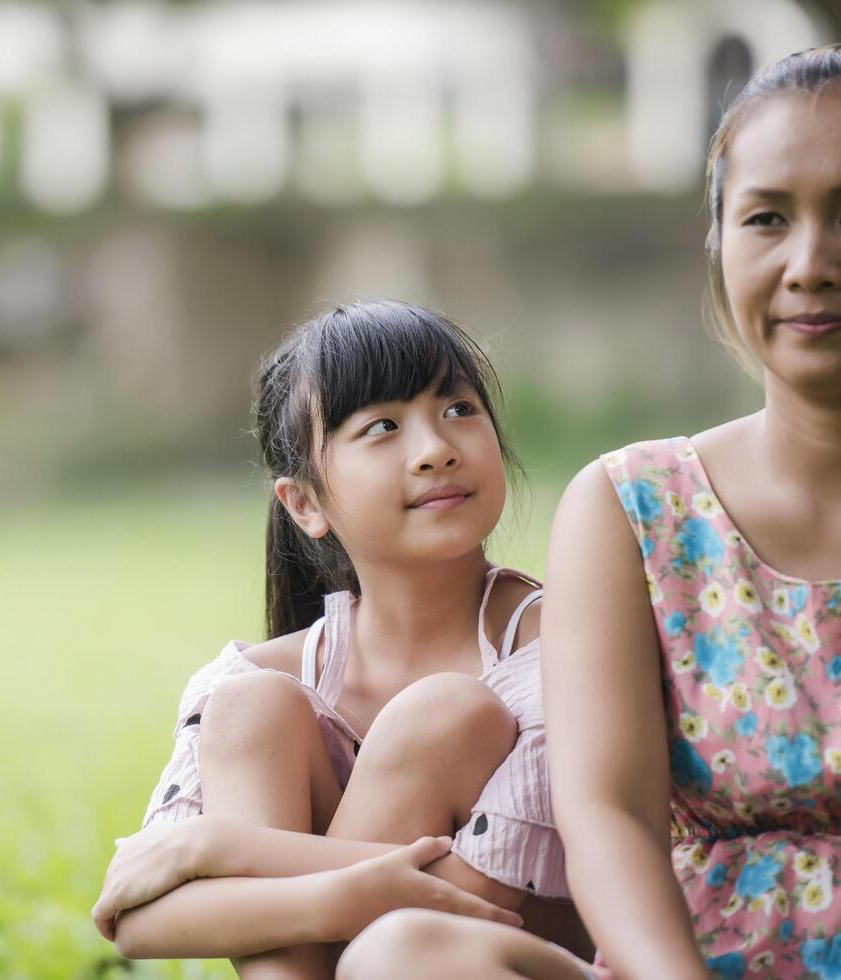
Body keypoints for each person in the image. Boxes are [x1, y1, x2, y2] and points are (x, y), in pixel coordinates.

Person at [338, 46, 841, 980]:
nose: (809, 263)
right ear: (719, 247)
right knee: (402, 955)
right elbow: (608, 818)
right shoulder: (632, 509)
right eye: (765, 220)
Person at [91, 300, 592, 978]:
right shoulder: (252, 680)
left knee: (443, 716)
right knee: (251, 706)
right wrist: (341, 891)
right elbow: (138, 917)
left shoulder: (562, 644)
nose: (436, 449)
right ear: (305, 504)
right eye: (382, 426)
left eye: (458, 410)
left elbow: (479, 897)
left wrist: (213, 851)